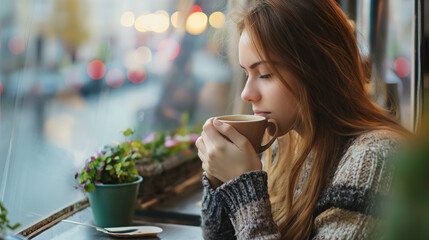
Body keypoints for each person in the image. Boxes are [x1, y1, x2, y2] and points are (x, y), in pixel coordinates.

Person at [195, 0, 410, 239]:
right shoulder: (284, 145)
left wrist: (243, 186)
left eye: (265, 74)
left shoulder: (375, 156)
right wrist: (218, 178)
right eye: (247, 74)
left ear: (318, 71)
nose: (247, 93)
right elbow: (220, 237)